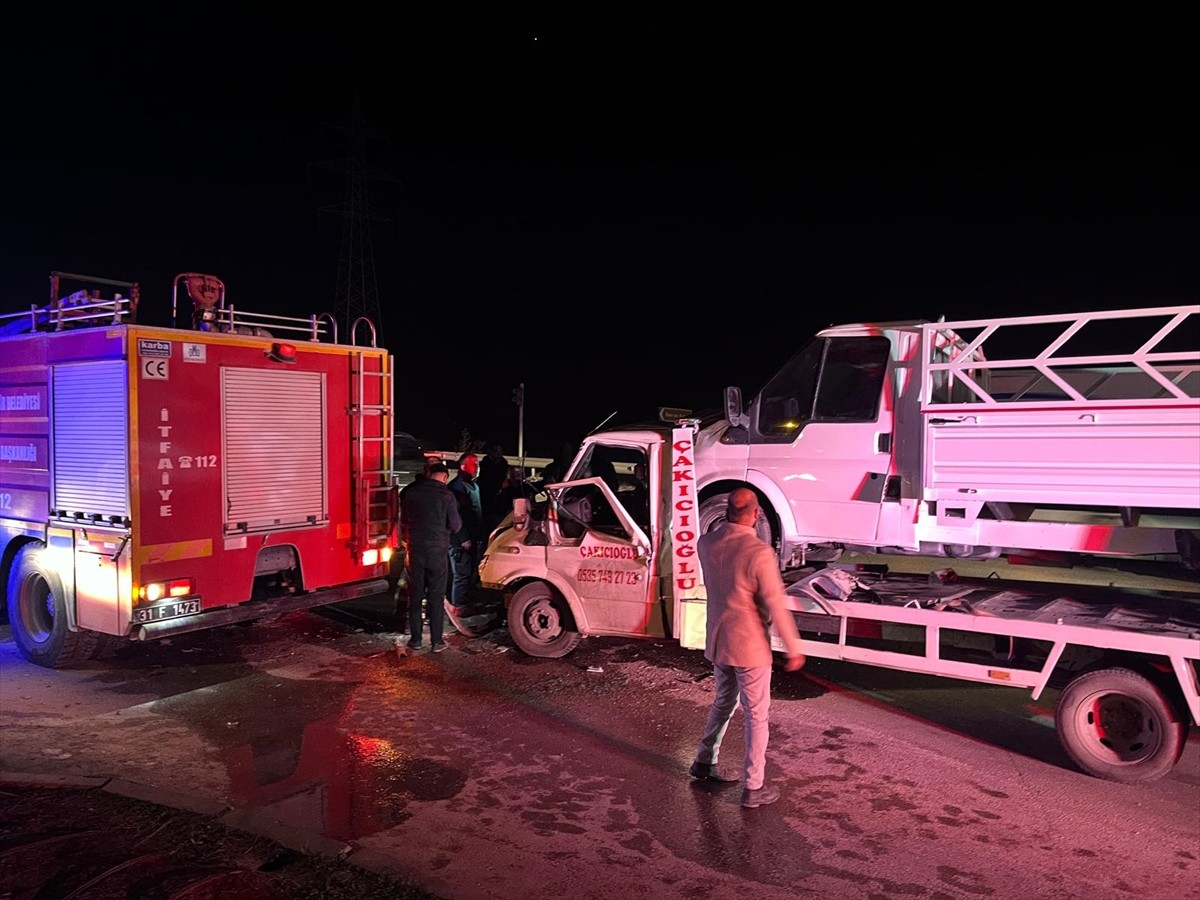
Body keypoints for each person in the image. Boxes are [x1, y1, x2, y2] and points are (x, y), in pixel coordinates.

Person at [688, 487, 805, 809]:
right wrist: (793, 648)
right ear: (756, 514)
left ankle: (703, 761)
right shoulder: (759, 552)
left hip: (718, 639)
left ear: (726, 511)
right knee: (757, 715)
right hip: (750, 645)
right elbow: (775, 605)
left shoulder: (706, 543)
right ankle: (754, 786)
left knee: (723, 702)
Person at [399, 462, 461, 652]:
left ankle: (415, 640)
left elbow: (403, 520)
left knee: (415, 595)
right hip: (437, 551)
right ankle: (436, 642)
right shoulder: (447, 495)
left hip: (415, 549)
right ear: (444, 476)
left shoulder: (410, 493)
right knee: (436, 595)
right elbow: (456, 525)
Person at [448, 452, 486, 607]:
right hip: (461, 540)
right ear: (463, 466)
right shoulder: (457, 488)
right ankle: (458, 607)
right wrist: (463, 537)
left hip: (472, 537)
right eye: (473, 463)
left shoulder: (473, 485)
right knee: (461, 575)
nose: (477, 466)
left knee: (468, 573)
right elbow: (456, 515)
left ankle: (464, 603)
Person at [477, 442, 510, 533]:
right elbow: (484, 478)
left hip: (498, 496)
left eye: (500, 451)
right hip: (486, 494)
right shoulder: (486, 462)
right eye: (496, 451)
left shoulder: (503, 463)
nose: (498, 454)